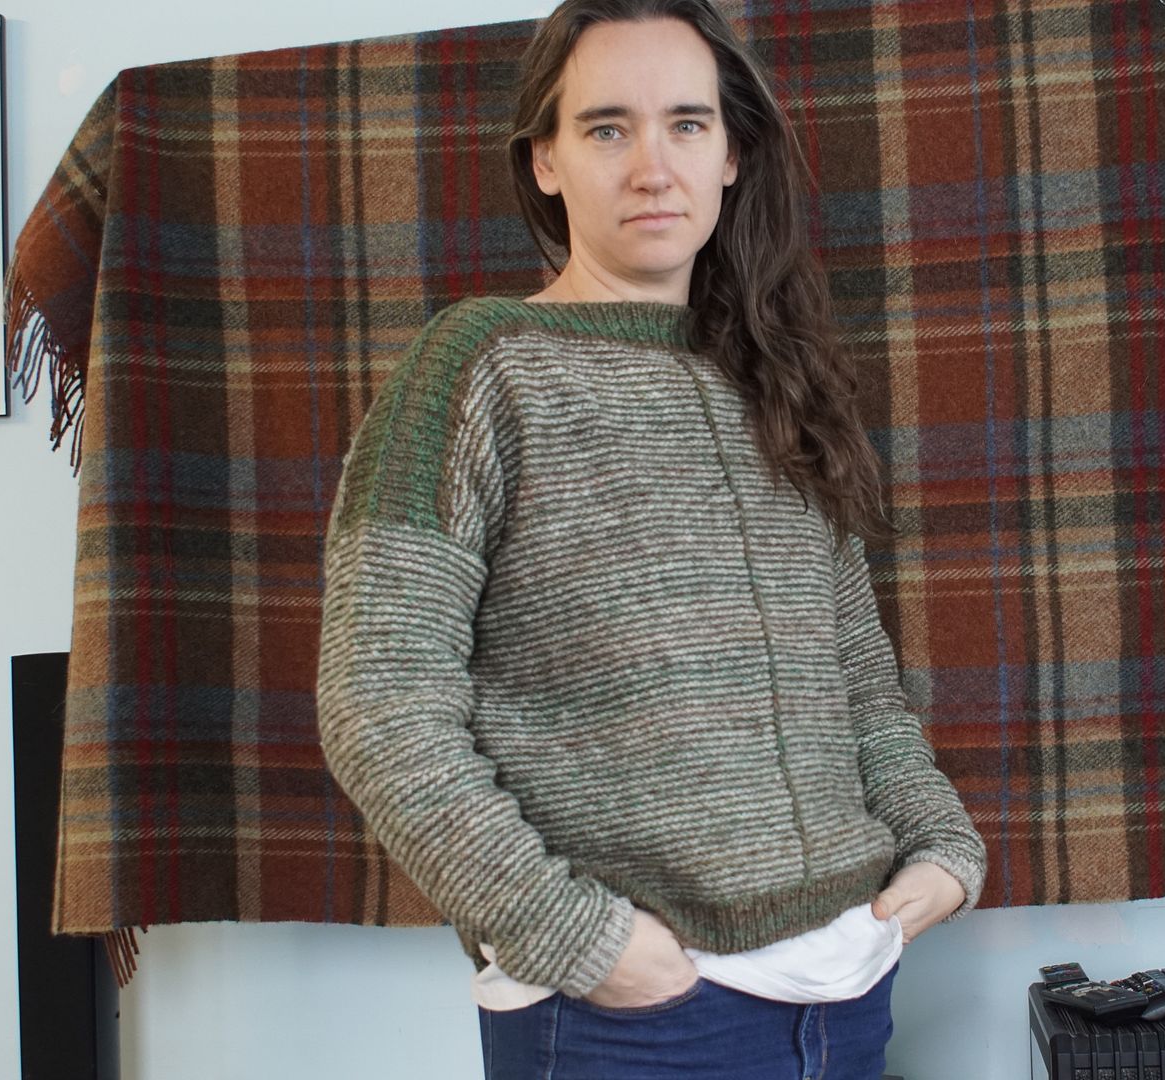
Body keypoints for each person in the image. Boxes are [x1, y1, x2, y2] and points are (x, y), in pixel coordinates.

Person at [314, 1, 987, 1076]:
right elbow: (378, 702)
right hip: (628, 1024)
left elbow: (857, 682)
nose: (653, 168)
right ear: (545, 160)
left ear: (731, 154)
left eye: (686, 123)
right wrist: (574, 936)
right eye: (607, 128)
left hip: (846, 994)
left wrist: (943, 846)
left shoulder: (782, 383)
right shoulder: (478, 368)